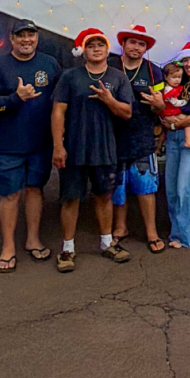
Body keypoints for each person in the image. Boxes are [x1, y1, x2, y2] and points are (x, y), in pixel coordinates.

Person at [0, 19, 63, 271]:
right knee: (10, 195)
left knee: (35, 190)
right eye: (21, 36)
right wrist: (16, 98)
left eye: (31, 35)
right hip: (8, 146)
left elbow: (60, 102)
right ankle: (8, 246)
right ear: (12, 39)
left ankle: (33, 239)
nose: (27, 40)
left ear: (37, 38)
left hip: (41, 143)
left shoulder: (50, 64)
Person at [52, 28, 135, 272]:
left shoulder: (118, 78)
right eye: (91, 45)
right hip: (73, 149)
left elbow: (127, 112)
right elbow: (58, 111)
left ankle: (107, 243)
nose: (96, 49)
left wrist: (109, 100)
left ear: (107, 50)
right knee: (70, 198)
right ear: (83, 51)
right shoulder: (70, 77)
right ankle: (67, 249)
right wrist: (58, 146)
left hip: (105, 149)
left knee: (104, 196)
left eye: (101, 44)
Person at [109, 24, 166, 253]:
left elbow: (162, 105)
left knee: (146, 185)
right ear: (123, 44)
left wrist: (159, 105)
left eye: (141, 44)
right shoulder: (110, 67)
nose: (136, 47)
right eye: (132, 42)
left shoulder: (154, 71)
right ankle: (120, 228)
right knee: (118, 184)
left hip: (142, 134)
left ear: (146, 48)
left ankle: (151, 233)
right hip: (114, 134)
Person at [158, 43, 190, 249]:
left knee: (184, 187)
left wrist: (174, 123)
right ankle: (186, 227)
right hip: (173, 136)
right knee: (171, 187)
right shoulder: (176, 85)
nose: (189, 64)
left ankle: (181, 237)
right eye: (185, 60)